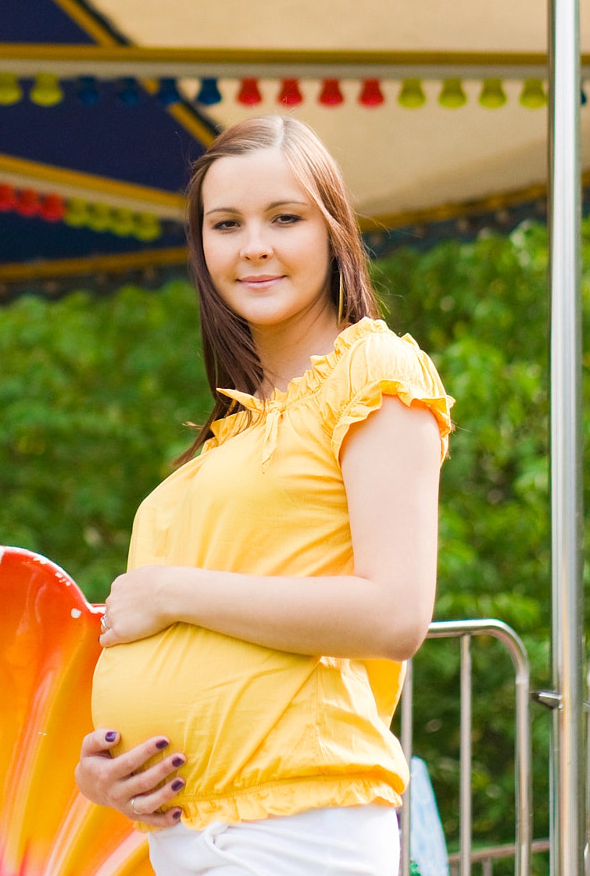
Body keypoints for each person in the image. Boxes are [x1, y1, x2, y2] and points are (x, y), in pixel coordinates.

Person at [75, 115, 452, 876]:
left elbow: (396, 614)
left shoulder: (372, 371)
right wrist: (102, 771)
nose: (254, 245)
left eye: (285, 218)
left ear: (333, 231)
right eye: (226, 224)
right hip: (193, 834)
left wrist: (172, 591)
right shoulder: (238, 427)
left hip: (298, 832)